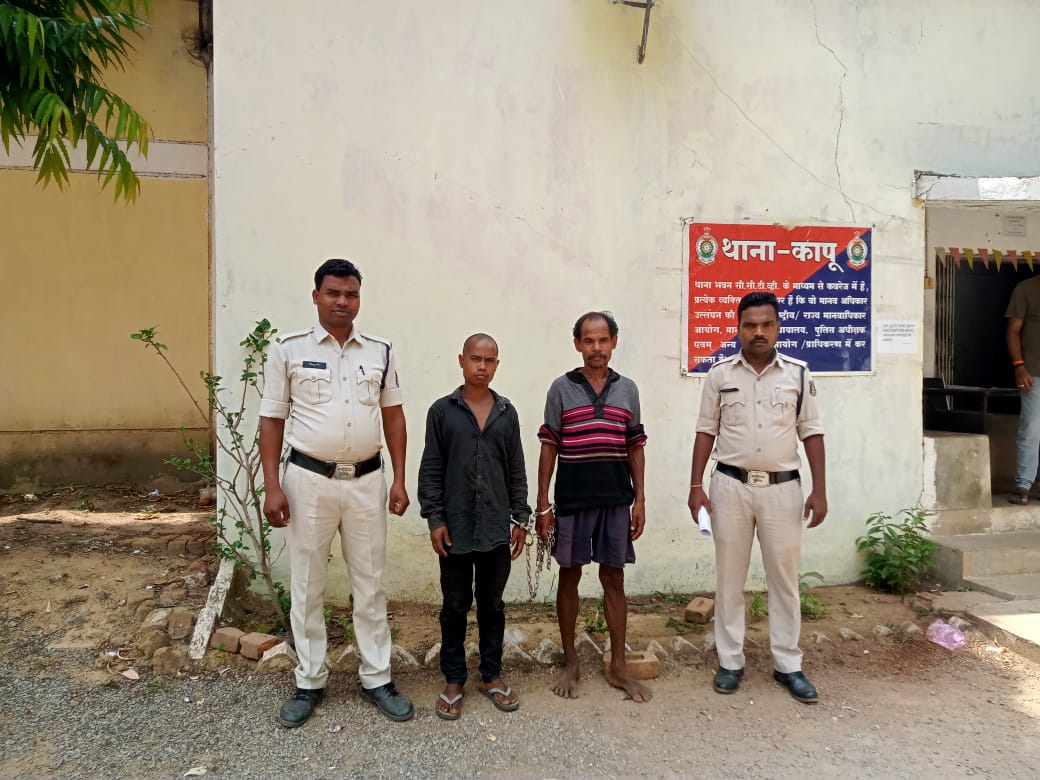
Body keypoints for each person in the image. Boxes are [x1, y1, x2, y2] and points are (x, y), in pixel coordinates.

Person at [259, 258, 413, 728]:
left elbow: (393, 416)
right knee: (307, 584)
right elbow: (272, 419)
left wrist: (399, 479)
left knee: (371, 583)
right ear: (316, 296)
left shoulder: (380, 351)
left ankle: (377, 678)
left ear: (359, 299)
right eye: (333, 293)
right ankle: (309, 681)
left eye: (351, 294)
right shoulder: (288, 349)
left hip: (367, 482)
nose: (342, 301)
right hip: (308, 482)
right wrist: (272, 485)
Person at [687, 291, 827, 704]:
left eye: (767, 324)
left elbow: (812, 432)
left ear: (778, 327)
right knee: (729, 579)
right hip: (730, 487)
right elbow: (705, 430)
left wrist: (820, 489)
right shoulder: (720, 375)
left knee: (784, 579)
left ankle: (788, 664)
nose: (759, 332)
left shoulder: (798, 374)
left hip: (783, 489)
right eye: (750, 325)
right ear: (739, 328)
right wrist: (695, 487)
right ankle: (730, 661)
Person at [535, 311, 651, 703]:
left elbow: (635, 445)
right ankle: (571, 662)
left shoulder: (628, 390)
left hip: (616, 500)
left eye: (603, 340)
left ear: (614, 342)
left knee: (614, 579)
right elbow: (549, 444)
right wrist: (543, 504)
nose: (596, 347)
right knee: (569, 576)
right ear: (578, 345)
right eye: (589, 340)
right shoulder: (561, 389)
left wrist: (640, 499)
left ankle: (618, 666)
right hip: (572, 501)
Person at [418, 333, 531, 720]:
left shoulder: (506, 413)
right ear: (462, 360)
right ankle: (453, 679)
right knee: (454, 605)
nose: (482, 366)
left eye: (489, 360)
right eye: (475, 358)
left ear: (497, 364)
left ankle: (491, 675)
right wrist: (435, 519)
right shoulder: (442, 412)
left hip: (495, 527)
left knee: (492, 604)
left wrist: (520, 518)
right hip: (455, 527)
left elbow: (516, 469)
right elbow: (431, 469)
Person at [1006, 275, 1040, 504]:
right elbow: (1013, 331)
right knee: (1031, 428)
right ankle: (1023, 486)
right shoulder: (1026, 288)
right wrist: (1019, 366)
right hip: (1034, 374)